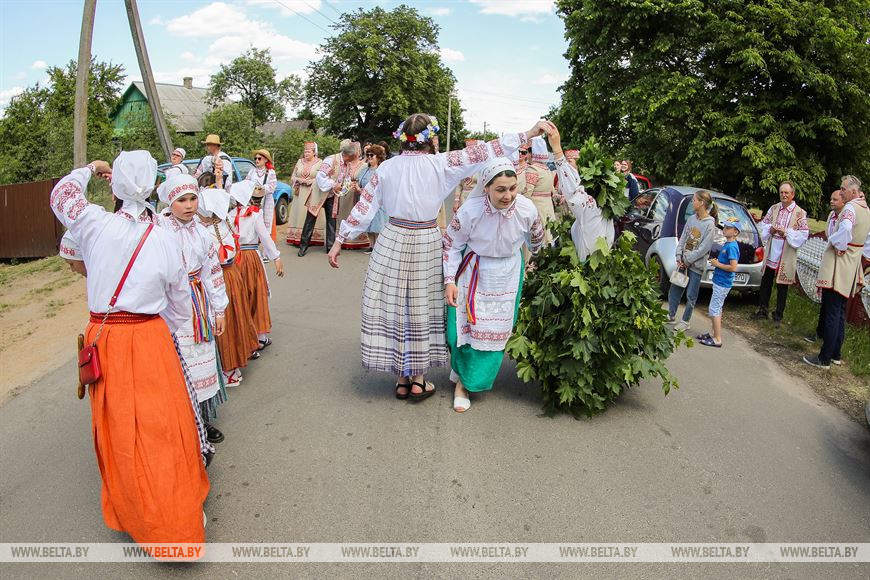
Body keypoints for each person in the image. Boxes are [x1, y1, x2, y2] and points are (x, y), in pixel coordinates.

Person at [328, 112, 552, 400]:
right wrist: (528, 133)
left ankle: (401, 379)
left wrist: (340, 239)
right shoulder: (441, 163)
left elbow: (365, 206)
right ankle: (419, 379)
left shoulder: (387, 168)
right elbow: (486, 150)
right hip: (425, 238)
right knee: (422, 307)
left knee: (396, 306)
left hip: (393, 238)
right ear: (430, 139)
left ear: (402, 139)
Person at [48, 152, 209, 552]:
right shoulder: (166, 237)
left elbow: (62, 193)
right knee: (162, 429)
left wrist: (89, 169)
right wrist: (164, 337)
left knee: (121, 428)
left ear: (114, 185)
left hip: (107, 339)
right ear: (155, 186)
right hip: (151, 338)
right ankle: (175, 515)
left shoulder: (92, 224)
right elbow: (177, 303)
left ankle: (134, 511)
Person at [444, 157, 545, 412]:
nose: (508, 195)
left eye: (512, 188)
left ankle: (465, 384)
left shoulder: (527, 209)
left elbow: (537, 242)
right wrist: (449, 281)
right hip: (474, 272)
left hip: (507, 274)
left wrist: (540, 264)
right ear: (486, 187)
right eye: (500, 189)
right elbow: (451, 244)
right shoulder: (470, 210)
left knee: (494, 334)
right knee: (461, 332)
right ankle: (463, 380)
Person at [156, 173, 229, 444]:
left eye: (192, 198)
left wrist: (219, 309)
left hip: (198, 304)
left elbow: (212, 272)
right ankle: (179, 422)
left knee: (201, 361)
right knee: (175, 364)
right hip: (169, 306)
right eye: (181, 200)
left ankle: (201, 419)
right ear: (169, 202)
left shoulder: (202, 232)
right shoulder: (158, 230)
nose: (188, 205)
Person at [804, 175, 870, 369]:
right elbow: (867, 241)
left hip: (839, 262)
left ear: (852, 191)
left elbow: (845, 230)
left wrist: (836, 242)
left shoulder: (850, 208)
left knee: (833, 310)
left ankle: (824, 358)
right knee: (839, 310)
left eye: (843, 189)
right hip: (852, 262)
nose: (840, 192)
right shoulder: (866, 209)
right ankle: (836, 354)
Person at [199, 178, 260, 387]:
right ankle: (233, 367)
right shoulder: (224, 225)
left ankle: (227, 369)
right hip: (232, 276)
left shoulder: (205, 233)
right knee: (235, 319)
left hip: (218, 280)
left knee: (223, 324)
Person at [229, 181, 284, 350]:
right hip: (251, 256)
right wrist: (276, 257)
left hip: (235, 258)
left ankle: (245, 335)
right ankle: (260, 337)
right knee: (257, 293)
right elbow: (265, 237)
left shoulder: (229, 215)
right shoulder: (254, 214)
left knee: (241, 296)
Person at [548, 126, 614, 261]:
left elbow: (572, 190)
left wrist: (557, 150)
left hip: (592, 249)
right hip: (599, 246)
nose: (567, 165)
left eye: (570, 161)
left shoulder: (591, 192)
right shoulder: (598, 189)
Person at [753, 181, 809, 323]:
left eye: (786, 193)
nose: (783, 195)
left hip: (786, 251)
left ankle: (778, 314)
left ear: (792, 194)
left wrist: (788, 233)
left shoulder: (800, 213)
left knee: (782, 284)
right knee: (766, 280)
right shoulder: (774, 208)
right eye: (781, 192)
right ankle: (762, 309)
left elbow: (804, 234)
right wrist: (769, 229)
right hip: (772, 248)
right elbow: (764, 225)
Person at [667, 190, 718, 332]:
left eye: (694, 200)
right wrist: (679, 255)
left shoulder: (709, 224)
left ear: (701, 203)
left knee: (691, 295)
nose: (692, 202)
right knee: (675, 289)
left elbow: (704, 248)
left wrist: (688, 259)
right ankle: (671, 315)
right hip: (683, 262)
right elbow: (683, 237)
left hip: (695, 265)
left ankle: (685, 321)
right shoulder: (691, 219)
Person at [298, 140, 355, 255]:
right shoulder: (331, 160)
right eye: (352, 156)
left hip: (333, 195)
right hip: (320, 193)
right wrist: (334, 184)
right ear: (347, 155)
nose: (353, 159)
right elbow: (320, 177)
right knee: (310, 219)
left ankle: (330, 247)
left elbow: (346, 179)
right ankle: (303, 247)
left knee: (331, 221)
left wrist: (346, 187)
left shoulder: (347, 164)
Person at [697, 218, 741, 347]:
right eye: (724, 227)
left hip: (723, 283)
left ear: (735, 232)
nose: (724, 229)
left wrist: (717, 264)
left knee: (714, 310)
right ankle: (713, 333)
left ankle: (717, 338)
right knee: (717, 309)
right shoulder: (728, 244)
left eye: (728, 228)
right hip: (720, 281)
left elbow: (733, 267)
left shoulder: (732, 247)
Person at [287, 142, 324, 247]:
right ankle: (298, 238)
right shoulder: (299, 162)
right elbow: (293, 176)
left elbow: (323, 177)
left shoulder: (320, 162)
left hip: (313, 192)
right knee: (300, 213)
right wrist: (298, 179)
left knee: (311, 213)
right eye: (305, 151)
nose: (306, 153)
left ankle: (313, 238)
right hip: (300, 192)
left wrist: (312, 181)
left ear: (314, 152)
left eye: (308, 151)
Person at [335, 141, 370, 250]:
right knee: (344, 214)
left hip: (357, 193)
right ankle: (342, 240)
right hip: (345, 192)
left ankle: (357, 241)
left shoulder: (364, 165)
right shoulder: (346, 165)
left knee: (356, 215)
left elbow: (367, 178)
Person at [524, 136, 558, 244]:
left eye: (527, 152)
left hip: (537, 208)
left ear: (531, 153)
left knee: (536, 238)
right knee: (548, 237)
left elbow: (527, 193)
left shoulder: (533, 169)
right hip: (548, 207)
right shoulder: (547, 169)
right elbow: (552, 191)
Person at [246, 148, 277, 243]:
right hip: (253, 201)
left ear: (265, 160)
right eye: (255, 158)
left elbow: (272, 187)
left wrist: (261, 188)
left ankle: (266, 252)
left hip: (266, 200)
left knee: (265, 226)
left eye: (259, 158)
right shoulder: (252, 171)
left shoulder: (270, 172)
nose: (256, 160)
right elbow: (246, 183)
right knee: (252, 224)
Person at [361, 144, 387, 253]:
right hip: (366, 201)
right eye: (368, 155)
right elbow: (360, 182)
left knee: (377, 224)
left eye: (372, 155)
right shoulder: (365, 169)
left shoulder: (381, 170)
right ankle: (371, 245)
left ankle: (378, 247)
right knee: (369, 224)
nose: (369, 157)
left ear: (378, 157)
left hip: (377, 201)